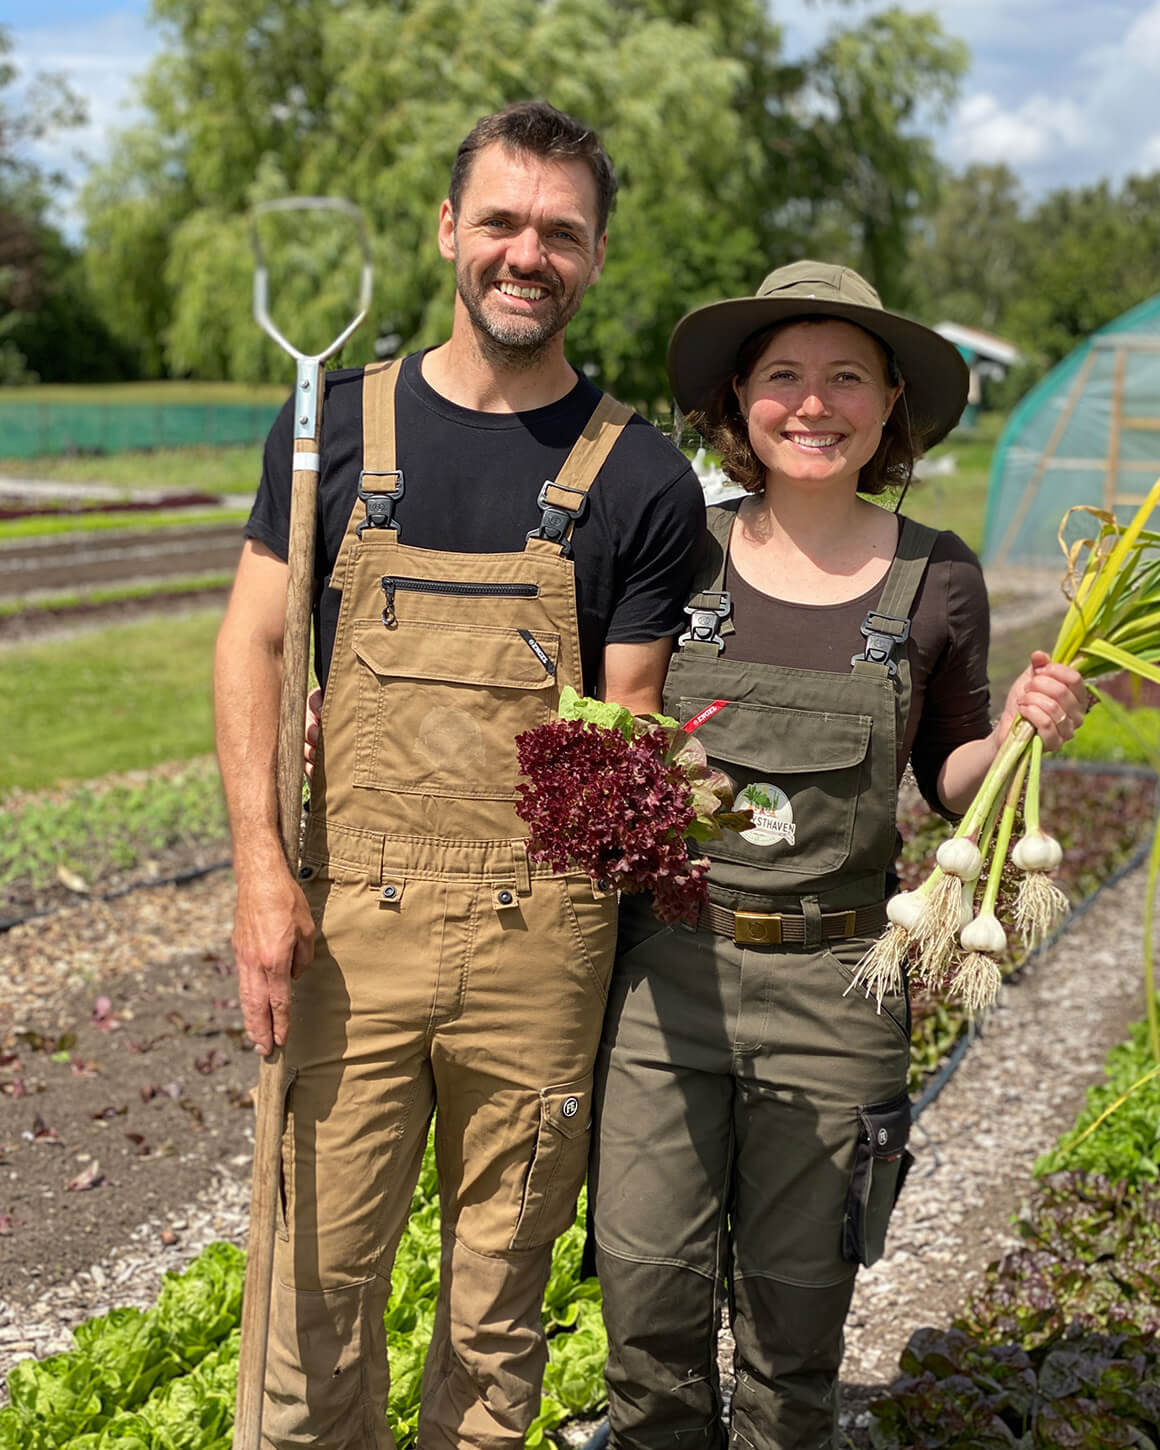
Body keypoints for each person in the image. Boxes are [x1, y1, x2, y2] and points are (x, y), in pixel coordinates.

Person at [213, 100, 705, 1449]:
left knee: (497, 1324)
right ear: (448, 231)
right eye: (499, 221)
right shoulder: (331, 428)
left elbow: (629, 718)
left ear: (595, 256)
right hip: (345, 931)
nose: (523, 253)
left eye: (559, 231)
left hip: (538, 940)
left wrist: (675, 787)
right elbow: (254, 645)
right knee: (310, 1300)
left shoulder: (644, 480)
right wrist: (262, 872)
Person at [588, 260, 1088, 1450]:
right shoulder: (677, 547)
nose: (812, 405)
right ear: (736, 406)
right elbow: (593, 715)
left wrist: (1019, 731)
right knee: (646, 1307)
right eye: (783, 378)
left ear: (889, 408)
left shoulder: (937, 575)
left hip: (838, 982)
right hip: (669, 974)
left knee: (793, 1327)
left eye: (845, 379)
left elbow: (949, 776)